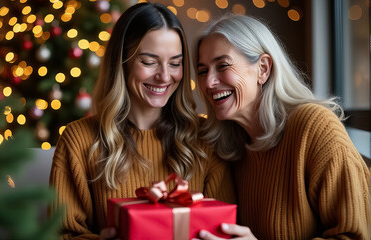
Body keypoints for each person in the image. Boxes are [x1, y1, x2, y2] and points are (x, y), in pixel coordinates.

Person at [49, 3, 236, 239]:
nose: (165, 76)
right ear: (122, 62)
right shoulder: (80, 139)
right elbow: (62, 234)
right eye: (149, 62)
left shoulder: (206, 137)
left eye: (175, 63)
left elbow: (223, 227)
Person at [194, 14, 371, 239]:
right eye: (202, 71)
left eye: (223, 65)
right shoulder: (232, 149)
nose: (208, 82)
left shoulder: (315, 127)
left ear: (263, 68)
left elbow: (354, 236)